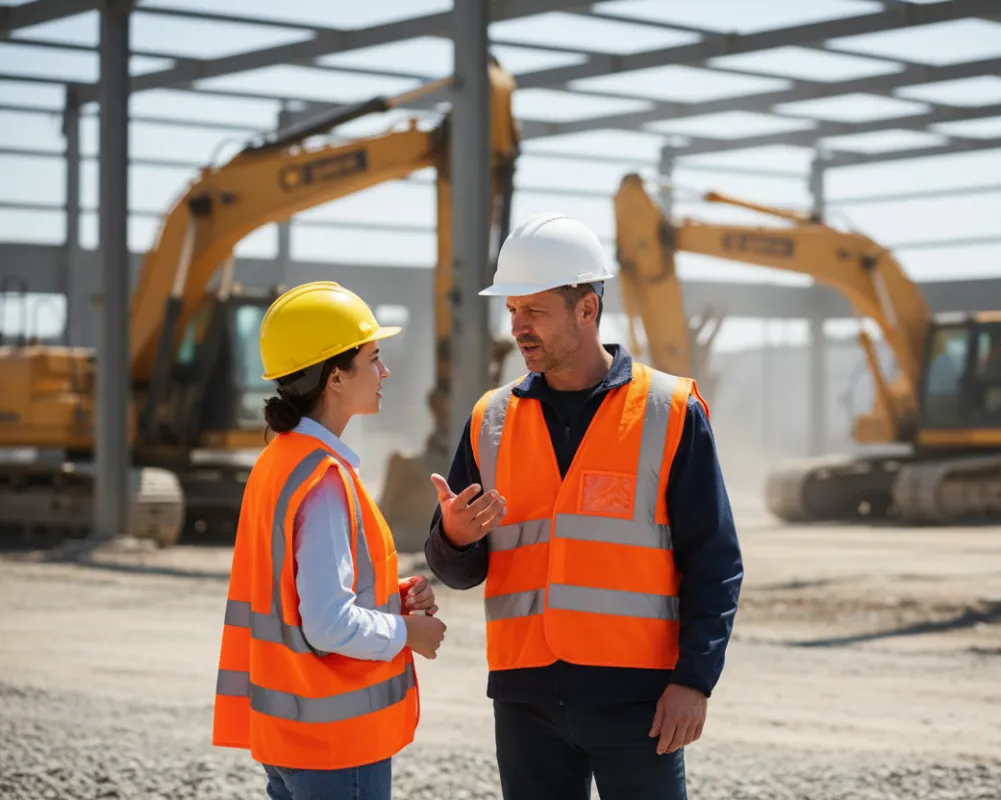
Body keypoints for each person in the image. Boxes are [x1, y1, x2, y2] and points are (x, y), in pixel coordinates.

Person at [424, 213, 744, 800]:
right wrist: (454, 537)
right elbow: (458, 570)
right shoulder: (489, 420)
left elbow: (715, 560)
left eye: (535, 312)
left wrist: (695, 681)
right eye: (513, 310)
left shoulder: (669, 411)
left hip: (638, 700)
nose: (519, 327)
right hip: (526, 699)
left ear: (586, 311)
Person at [212, 280, 447, 800]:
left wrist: (393, 597)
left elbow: (296, 594)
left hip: (290, 734)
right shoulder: (322, 481)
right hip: (337, 746)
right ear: (336, 377)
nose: (384, 372)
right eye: (374, 358)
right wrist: (407, 633)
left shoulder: (281, 462)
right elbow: (327, 624)